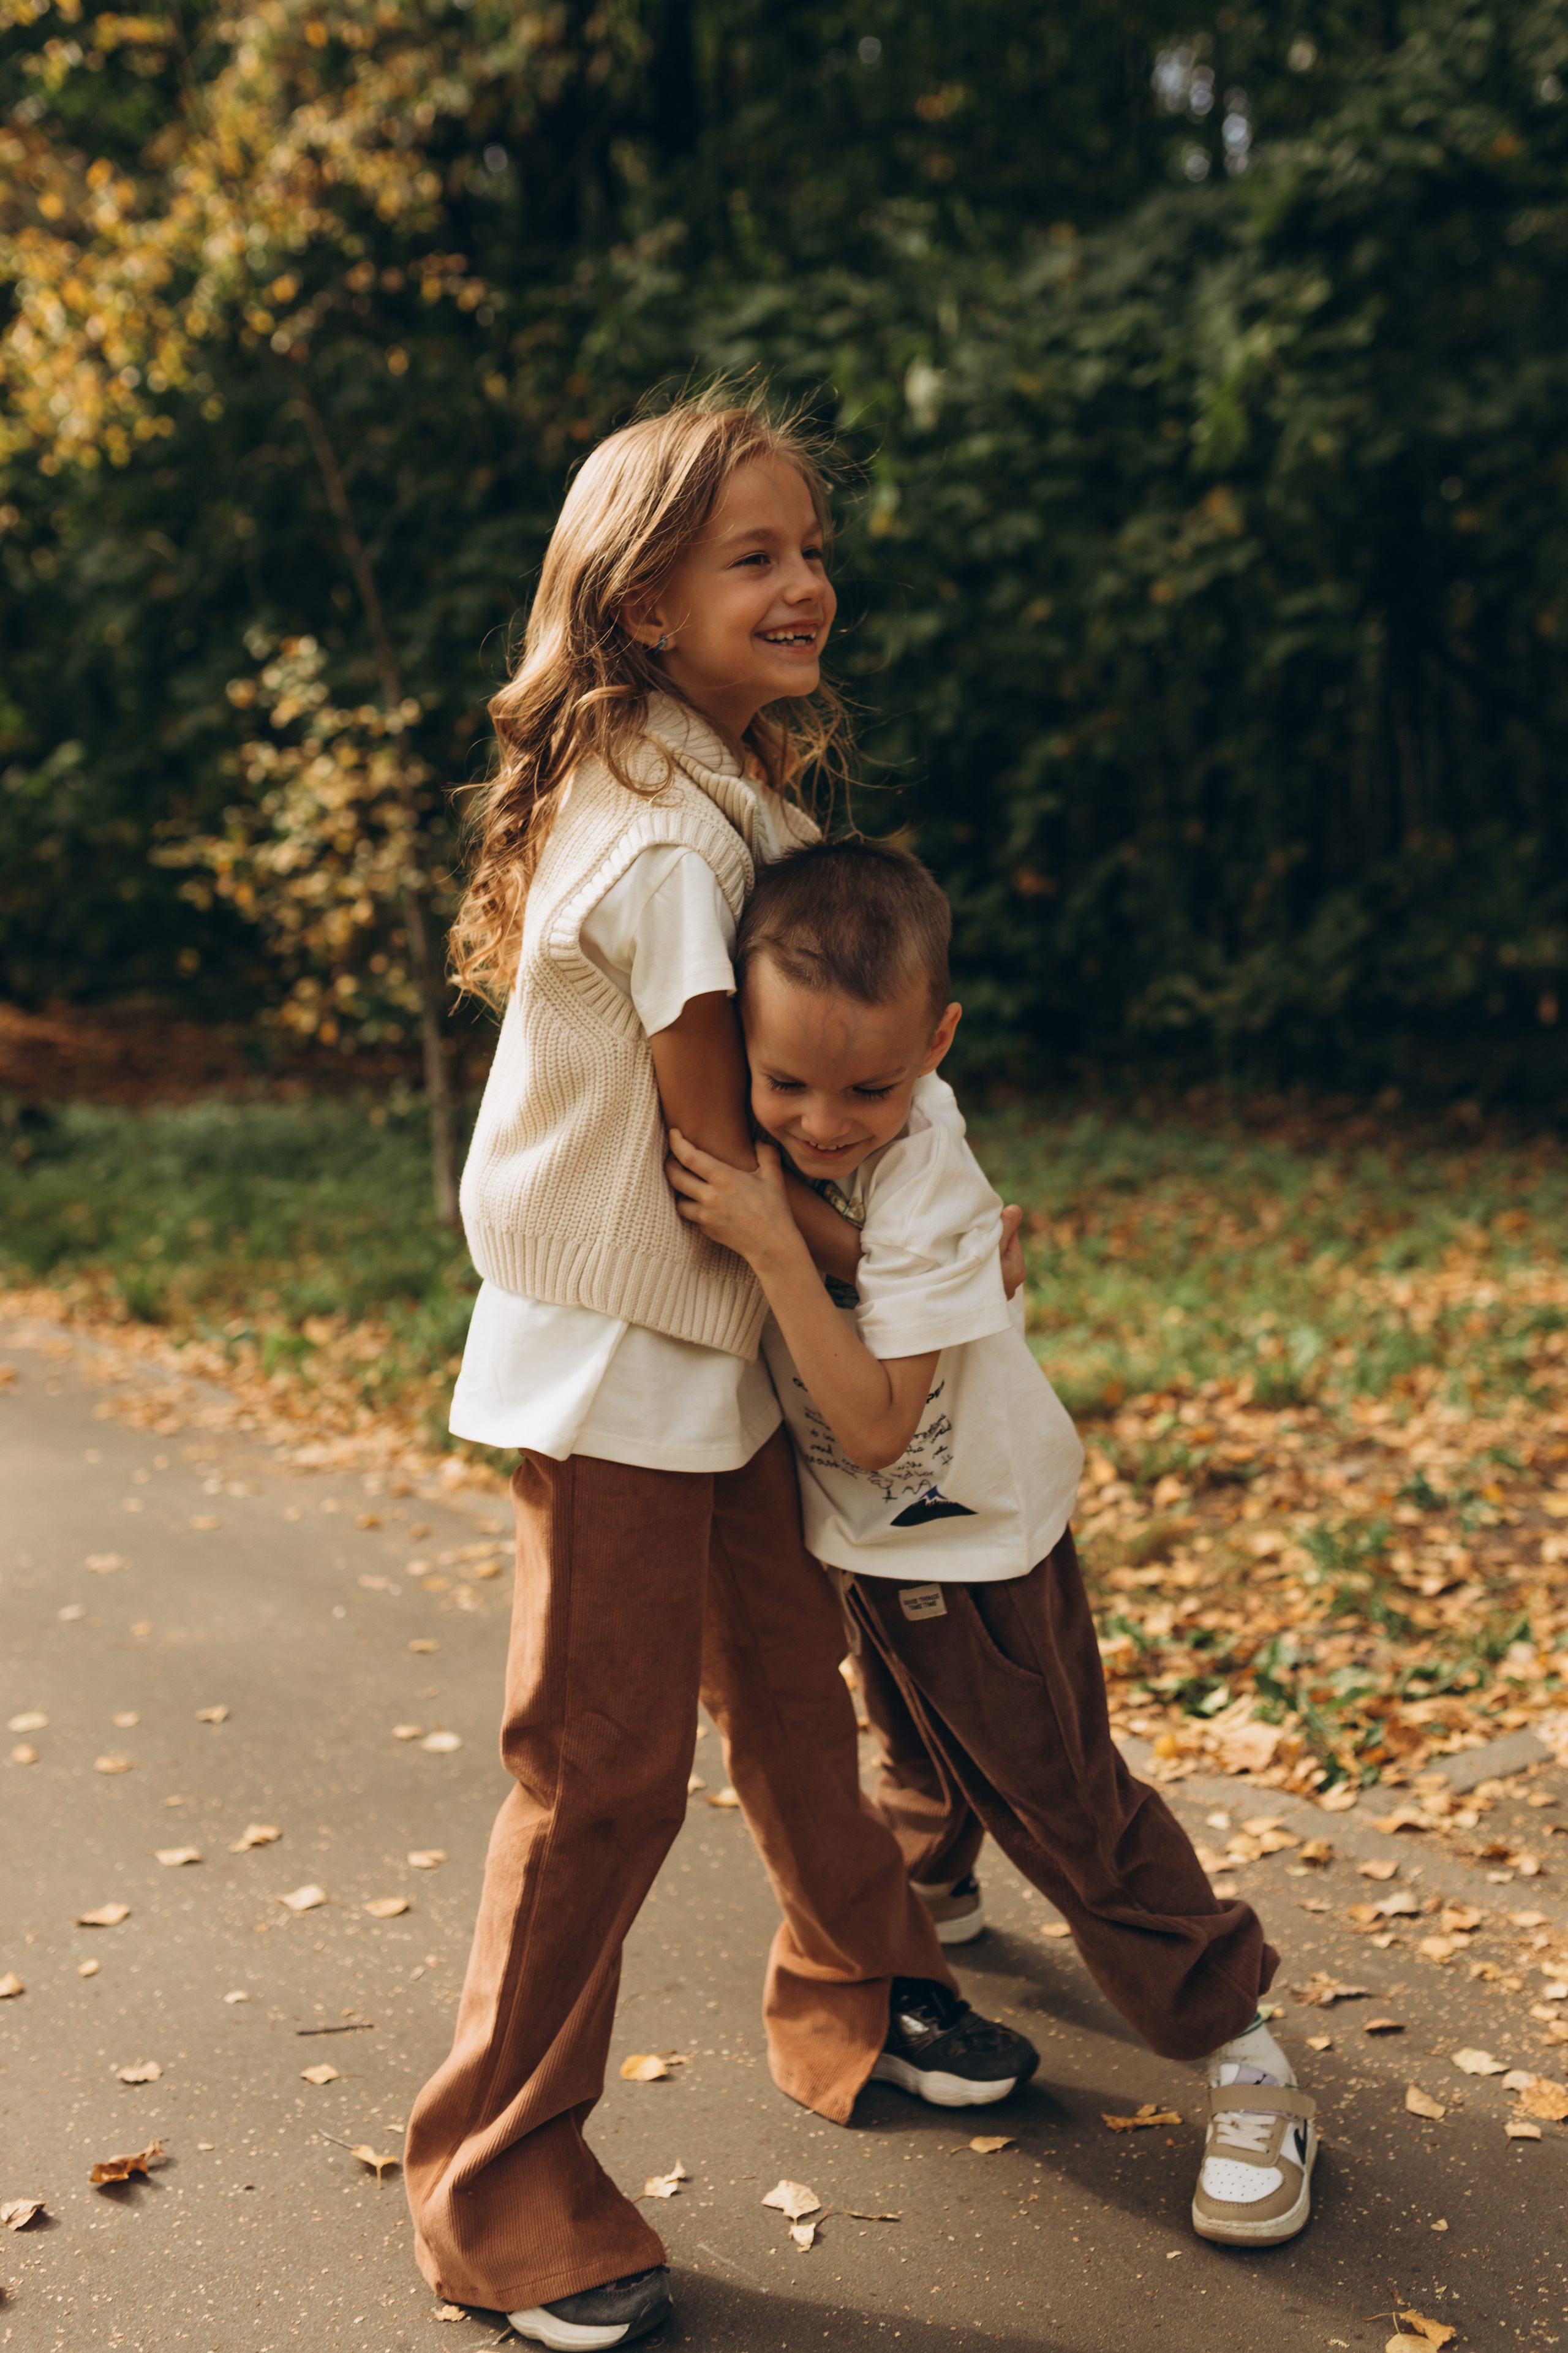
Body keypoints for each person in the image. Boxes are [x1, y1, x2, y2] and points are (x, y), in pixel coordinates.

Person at [403, 395, 1039, 2352]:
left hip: (720, 1349)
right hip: (620, 1370)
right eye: (752, 555)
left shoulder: (728, 793)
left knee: (788, 1683)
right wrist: (913, 1274)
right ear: (644, 602)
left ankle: (858, 1986)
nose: (805, 582)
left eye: (808, 548)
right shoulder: (672, 840)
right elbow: (722, 1162)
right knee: (596, 1781)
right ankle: (495, 2186)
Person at [666, 837, 1320, 2252]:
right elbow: (867, 1262)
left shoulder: (929, 1176)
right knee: (910, 1746)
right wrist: (809, 1228)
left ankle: (1241, 2049)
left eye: (868, 1088)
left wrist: (776, 1244)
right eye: (782, 1084)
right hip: (877, 1549)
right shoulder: (828, 1150)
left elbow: (884, 1423)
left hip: (971, 1548)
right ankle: (936, 1899)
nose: (823, 1123)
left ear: (935, 1043)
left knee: (1066, 1804)